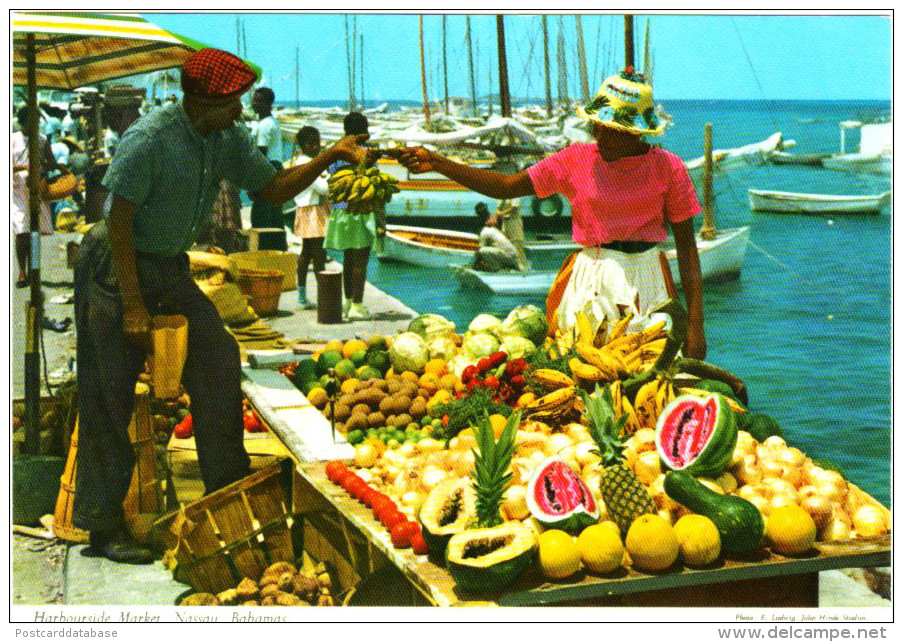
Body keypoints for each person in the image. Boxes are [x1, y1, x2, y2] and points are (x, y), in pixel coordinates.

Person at [73, 48, 372, 564]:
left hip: (169, 266)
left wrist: (329, 156)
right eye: (231, 103)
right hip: (115, 267)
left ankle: (224, 496)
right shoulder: (149, 140)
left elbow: (273, 186)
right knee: (109, 392)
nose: (240, 111)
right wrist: (133, 305)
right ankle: (102, 528)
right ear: (200, 101)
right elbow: (118, 220)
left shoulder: (227, 134)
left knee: (216, 362)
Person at [395, 67, 706, 359]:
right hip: (591, 275)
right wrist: (438, 163)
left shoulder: (669, 167)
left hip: (648, 277)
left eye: (615, 130)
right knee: (584, 366)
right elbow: (506, 186)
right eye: (599, 126)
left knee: (651, 370)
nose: (602, 135)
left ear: (638, 132)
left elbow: (688, 248)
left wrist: (695, 323)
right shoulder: (575, 159)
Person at [324, 112, 382, 321]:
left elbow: (332, 175)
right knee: (361, 262)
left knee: (348, 260)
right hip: (360, 211)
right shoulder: (367, 154)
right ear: (364, 132)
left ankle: (347, 302)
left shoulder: (337, 154)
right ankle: (358, 305)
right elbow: (375, 180)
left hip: (340, 211)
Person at [12, 106, 60, 287]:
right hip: (17, 192)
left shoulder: (42, 140)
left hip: (37, 190)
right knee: (21, 232)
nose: (38, 124)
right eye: (35, 121)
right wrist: (25, 168)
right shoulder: (12, 139)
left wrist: (43, 170)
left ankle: (34, 270)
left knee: (34, 233)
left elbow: (52, 163)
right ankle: (22, 271)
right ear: (25, 121)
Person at [289, 126, 330, 309]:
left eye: (317, 143)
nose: (315, 147)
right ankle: (324, 296)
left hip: (308, 210)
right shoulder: (308, 164)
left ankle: (302, 295)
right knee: (319, 254)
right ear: (302, 145)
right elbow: (323, 188)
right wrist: (330, 178)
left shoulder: (306, 161)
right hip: (312, 211)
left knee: (306, 253)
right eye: (311, 143)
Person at [249, 87, 288, 251]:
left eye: (259, 100)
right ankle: (279, 249)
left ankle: (266, 252)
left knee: (262, 217)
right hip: (274, 167)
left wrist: (253, 185)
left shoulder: (264, 125)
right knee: (274, 217)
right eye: (254, 99)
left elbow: (261, 155)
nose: (254, 103)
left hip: (268, 169)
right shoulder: (269, 122)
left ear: (268, 104)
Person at [472, 202, 520, 272]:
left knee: (483, 250)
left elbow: (479, 252)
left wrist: (474, 266)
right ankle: (501, 268)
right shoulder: (494, 230)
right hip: (513, 256)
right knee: (487, 251)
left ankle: (498, 270)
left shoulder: (485, 232)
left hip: (510, 258)